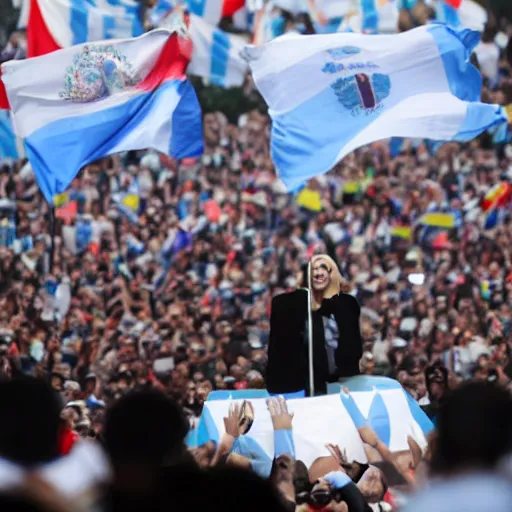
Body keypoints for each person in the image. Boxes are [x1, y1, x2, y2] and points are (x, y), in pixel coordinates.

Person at [266, 254, 363, 395]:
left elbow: (353, 351)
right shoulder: (287, 306)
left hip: (338, 386)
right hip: (300, 387)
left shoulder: (345, 307)